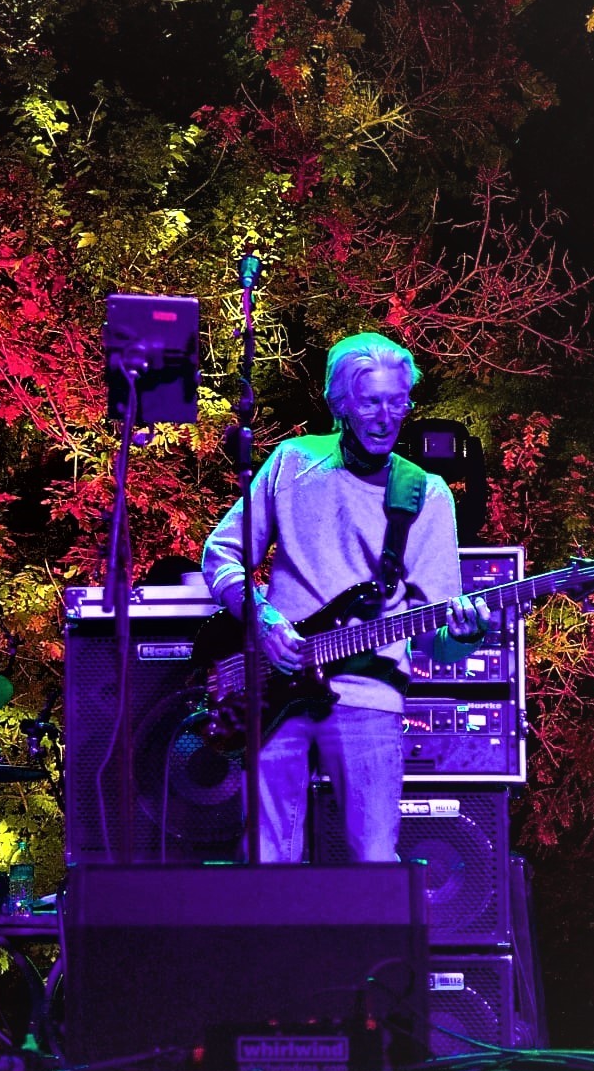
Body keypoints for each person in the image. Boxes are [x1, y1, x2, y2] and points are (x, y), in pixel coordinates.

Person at [201, 332, 489, 864]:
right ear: (340, 404)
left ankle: (372, 951)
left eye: (398, 401)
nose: (387, 417)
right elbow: (220, 555)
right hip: (273, 688)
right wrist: (262, 619)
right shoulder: (292, 462)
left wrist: (465, 636)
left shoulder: (425, 494)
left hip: (369, 698)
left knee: (375, 861)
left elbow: (433, 640)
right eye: (371, 401)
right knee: (267, 857)